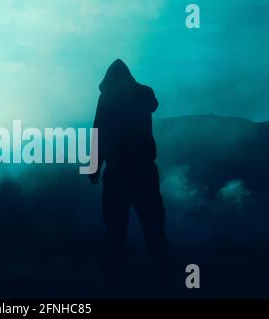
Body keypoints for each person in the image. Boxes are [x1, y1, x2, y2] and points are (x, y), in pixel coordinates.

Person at [90, 59, 170, 293]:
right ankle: (163, 277)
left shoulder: (106, 99)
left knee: (115, 230)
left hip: (116, 174)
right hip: (144, 171)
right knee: (153, 226)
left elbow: (98, 132)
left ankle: (113, 281)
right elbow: (153, 104)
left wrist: (94, 167)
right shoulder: (143, 93)